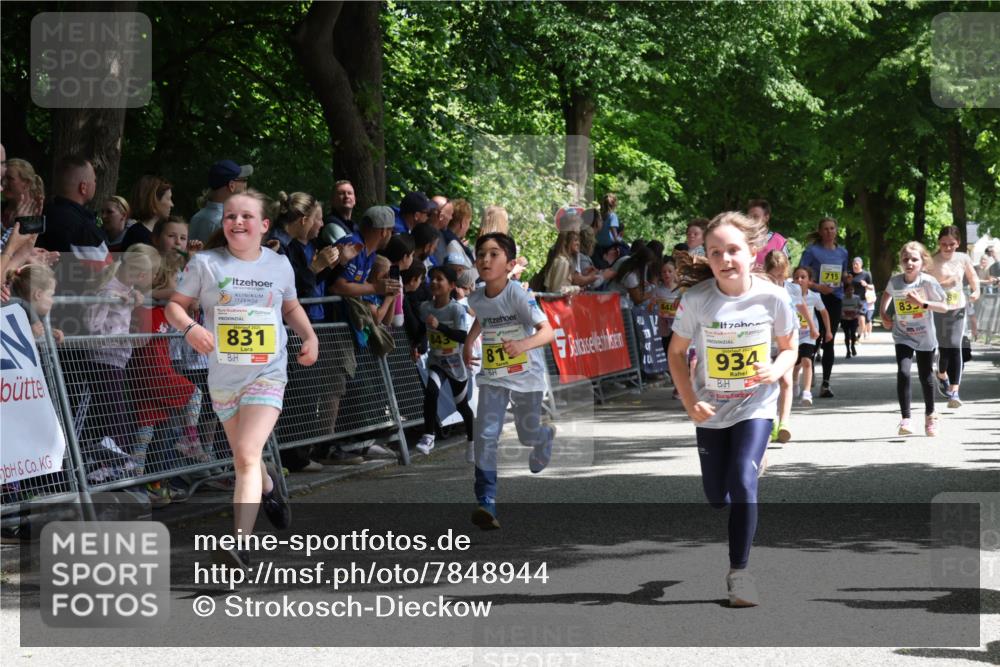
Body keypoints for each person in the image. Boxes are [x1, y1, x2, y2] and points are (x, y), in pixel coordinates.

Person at [166, 189, 319, 568]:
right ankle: (267, 488)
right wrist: (189, 329)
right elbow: (174, 306)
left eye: (246, 217)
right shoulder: (204, 263)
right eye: (231, 216)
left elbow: (291, 306)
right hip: (223, 378)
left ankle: (239, 544)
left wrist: (309, 335)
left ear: (264, 225)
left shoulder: (279, 265)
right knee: (245, 458)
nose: (237, 222)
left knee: (248, 454)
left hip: (267, 373)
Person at [668, 211, 796, 608]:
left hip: (755, 405)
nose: (725, 259)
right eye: (715, 252)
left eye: (733, 250)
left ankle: (739, 574)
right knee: (716, 496)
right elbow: (676, 354)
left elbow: (790, 349)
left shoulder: (773, 296)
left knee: (743, 480)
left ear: (753, 252)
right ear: (707, 256)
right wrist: (691, 401)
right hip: (711, 409)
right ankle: (745, 466)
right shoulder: (697, 300)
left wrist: (773, 369)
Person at [462, 233, 556, 530]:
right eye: (480, 255)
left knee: (526, 435)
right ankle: (486, 501)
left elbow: (547, 332)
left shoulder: (518, 293)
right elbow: (487, 316)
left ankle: (543, 438)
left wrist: (522, 345)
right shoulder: (476, 296)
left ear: (510, 263)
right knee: (486, 435)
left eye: (493, 254)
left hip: (526, 375)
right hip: (493, 375)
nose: (485, 260)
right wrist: (469, 342)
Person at [879, 241, 948, 437]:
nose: (909, 263)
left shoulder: (927, 282)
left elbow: (944, 307)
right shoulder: (896, 281)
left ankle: (930, 416)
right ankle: (906, 419)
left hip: (925, 336)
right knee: (903, 371)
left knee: (926, 376)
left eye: (914, 259)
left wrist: (923, 303)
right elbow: (886, 294)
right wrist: (883, 313)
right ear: (900, 262)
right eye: (905, 259)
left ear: (923, 262)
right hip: (903, 334)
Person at [416, 265, 475, 461]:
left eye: (439, 279)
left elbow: (461, 336)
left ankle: (472, 443)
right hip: (436, 361)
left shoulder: (455, 309)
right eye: (431, 278)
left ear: (451, 285)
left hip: (456, 364)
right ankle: (428, 435)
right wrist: (417, 345)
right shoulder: (425, 308)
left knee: (462, 407)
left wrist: (439, 326)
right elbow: (422, 331)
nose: (434, 282)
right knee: (431, 391)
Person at [928, 225, 979, 408]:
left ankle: (954, 392)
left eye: (951, 244)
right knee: (944, 348)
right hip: (939, 308)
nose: (948, 248)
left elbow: (973, 277)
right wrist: (945, 283)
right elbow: (926, 285)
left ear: (957, 243)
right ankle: (941, 374)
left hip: (958, 307)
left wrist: (976, 291)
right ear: (939, 243)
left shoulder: (963, 258)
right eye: (944, 244)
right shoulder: (933, 261)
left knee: (956, 346)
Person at [798, 217, 849, 398]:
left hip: (834, 299)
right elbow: (801, 276)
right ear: (820, 232)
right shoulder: (812, 251)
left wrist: (846, 278)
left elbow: (843, 273)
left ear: (836, 231)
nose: (829, 232)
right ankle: (809, 374)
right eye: (826, 229)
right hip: (815, 298)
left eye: (832, 228)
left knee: (829, 339)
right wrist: (818, 287)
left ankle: (826, 383)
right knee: (814, 338)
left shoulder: (843, 252)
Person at [788, 266, 829, 407]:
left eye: (803, 277)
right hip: (793, 334)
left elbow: (824, 313)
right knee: (795, 363)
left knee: (806, 361)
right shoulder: (788, 295)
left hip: (809, 335)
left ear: (810, 281)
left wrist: (828, 331)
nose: (799, 280)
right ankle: (794, 382)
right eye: (796, 277)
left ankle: (806, 392)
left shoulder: (814, 296)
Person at [189, 160, 252, 244]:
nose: (246, 185)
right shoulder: (223, 223)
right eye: (244, 180)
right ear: (231, 186)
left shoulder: (196, 217)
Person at [122, 175, 173, 250]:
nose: (172, 204)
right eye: (169, 198)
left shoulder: (152, 234)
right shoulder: (139, 237)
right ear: (154, 201)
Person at [1, 158, 45, 229]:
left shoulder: (40, 213)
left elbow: (31, 239)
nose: (4, 183)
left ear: (27, 182)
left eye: (10, 178)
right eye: (3, 178)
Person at [746, 199, 787, 271]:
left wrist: (767, 271)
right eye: (749, 217)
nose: (751, 220)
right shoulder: (741, 238)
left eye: (756, 217)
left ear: (766, 218)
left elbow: (785, 271)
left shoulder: (779, 241)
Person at [653, 258, 680, 362]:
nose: (666, 274)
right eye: (664, 272)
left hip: (680, 329)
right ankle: (673, 377)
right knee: (670, 357)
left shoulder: (682, 290)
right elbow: (651, 307)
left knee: (681, 356)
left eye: (669, 271)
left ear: (675, 272)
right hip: (665, 329)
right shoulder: (657, 290)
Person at [319, 179, 358, 245]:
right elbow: (351, 252)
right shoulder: (331, 225)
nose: (346, 196)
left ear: (354, 200)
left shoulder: (353, 226)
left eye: (349, 193)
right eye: (341, 193)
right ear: (332, 200)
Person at [848, 257, 875, 339]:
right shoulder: (849, 274)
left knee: (862, 319)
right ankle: (852, 334)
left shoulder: (866, 274)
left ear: (861, 265)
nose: (855, 265)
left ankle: (860, 335)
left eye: (857, 264)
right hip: (850, 300)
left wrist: (866, 285)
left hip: (861, 300)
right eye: (853, 264)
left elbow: (872, 287)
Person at [841, 282, 862, 358]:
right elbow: (839, 308)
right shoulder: (841, 298)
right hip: (844, 319)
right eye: (848, 290)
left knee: (853, 333)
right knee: (846, 334)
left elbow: (860, 306)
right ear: (845, 291)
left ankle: (852, 346)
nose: (850, 292)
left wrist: (857, 312)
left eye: (852, 290)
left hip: (854, 318)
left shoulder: (857, 298)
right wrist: (842, 314)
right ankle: (847, 351)